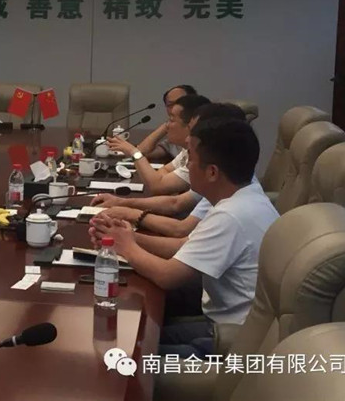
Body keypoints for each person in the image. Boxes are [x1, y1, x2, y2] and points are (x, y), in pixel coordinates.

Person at [89, 118, 279, 357]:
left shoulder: (231, 215)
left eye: (191, 159)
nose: (186, 166)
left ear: (212, 172)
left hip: (234, 341)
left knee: (132, 352)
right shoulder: (244, 197)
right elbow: (184, 246)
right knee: (141, 331)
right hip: (234, 326)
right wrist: (129, 238)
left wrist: (126, 247)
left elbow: (168, 276)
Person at [92, 103, 247, 238]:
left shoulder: (219, 179)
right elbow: (172, 200)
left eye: (193, 131)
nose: (188, 138)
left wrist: (128, 215)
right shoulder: (218, 174)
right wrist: (122, 204)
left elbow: (178, 225)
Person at [106, 94, 211, 195]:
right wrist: (160, 182)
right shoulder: (187, 151)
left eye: (171, 120)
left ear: (190, 126)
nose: (166, 125)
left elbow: (157, 187)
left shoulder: (201, 159)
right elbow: (163, 172)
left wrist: (134, 152)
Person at [136, 85, 197, 160]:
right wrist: (167, 125)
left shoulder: (203, 135)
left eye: (180, 103)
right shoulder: (174, 138)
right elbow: (139, 154)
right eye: (170, 105)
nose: (174, 108)